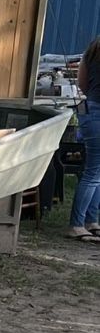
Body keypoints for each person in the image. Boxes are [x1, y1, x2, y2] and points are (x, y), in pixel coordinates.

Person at [69, 36, 100, 238]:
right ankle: (77, 224)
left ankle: (91, 220)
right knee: (93, 174)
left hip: (90, 109)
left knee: (96, 173)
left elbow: (81, 83)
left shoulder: (92, 50)